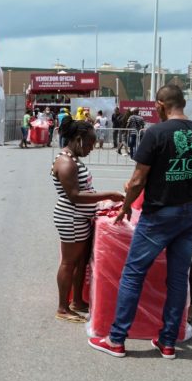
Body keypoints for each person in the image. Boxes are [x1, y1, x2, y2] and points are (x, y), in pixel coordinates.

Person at [89, 85, 192, 359]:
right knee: (177, 279)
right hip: (189, 215)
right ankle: (168, 341)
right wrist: (190, 195)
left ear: (160, 104)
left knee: (133, 274)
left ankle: (116, 339)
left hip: (159, 215)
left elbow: (137, 181)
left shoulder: (156, 133)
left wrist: (125, 208)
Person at [52, 117, 124, 323]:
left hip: (79, 218)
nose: (93, 148)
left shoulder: (73, 159)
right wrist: (108, 195)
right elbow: (74, 195)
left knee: (81, 261)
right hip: (71, 218)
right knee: (69, 263)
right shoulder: (66, 162)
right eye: (90, 143)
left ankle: (77, 301)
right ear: (78, 139)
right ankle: (63, 307)